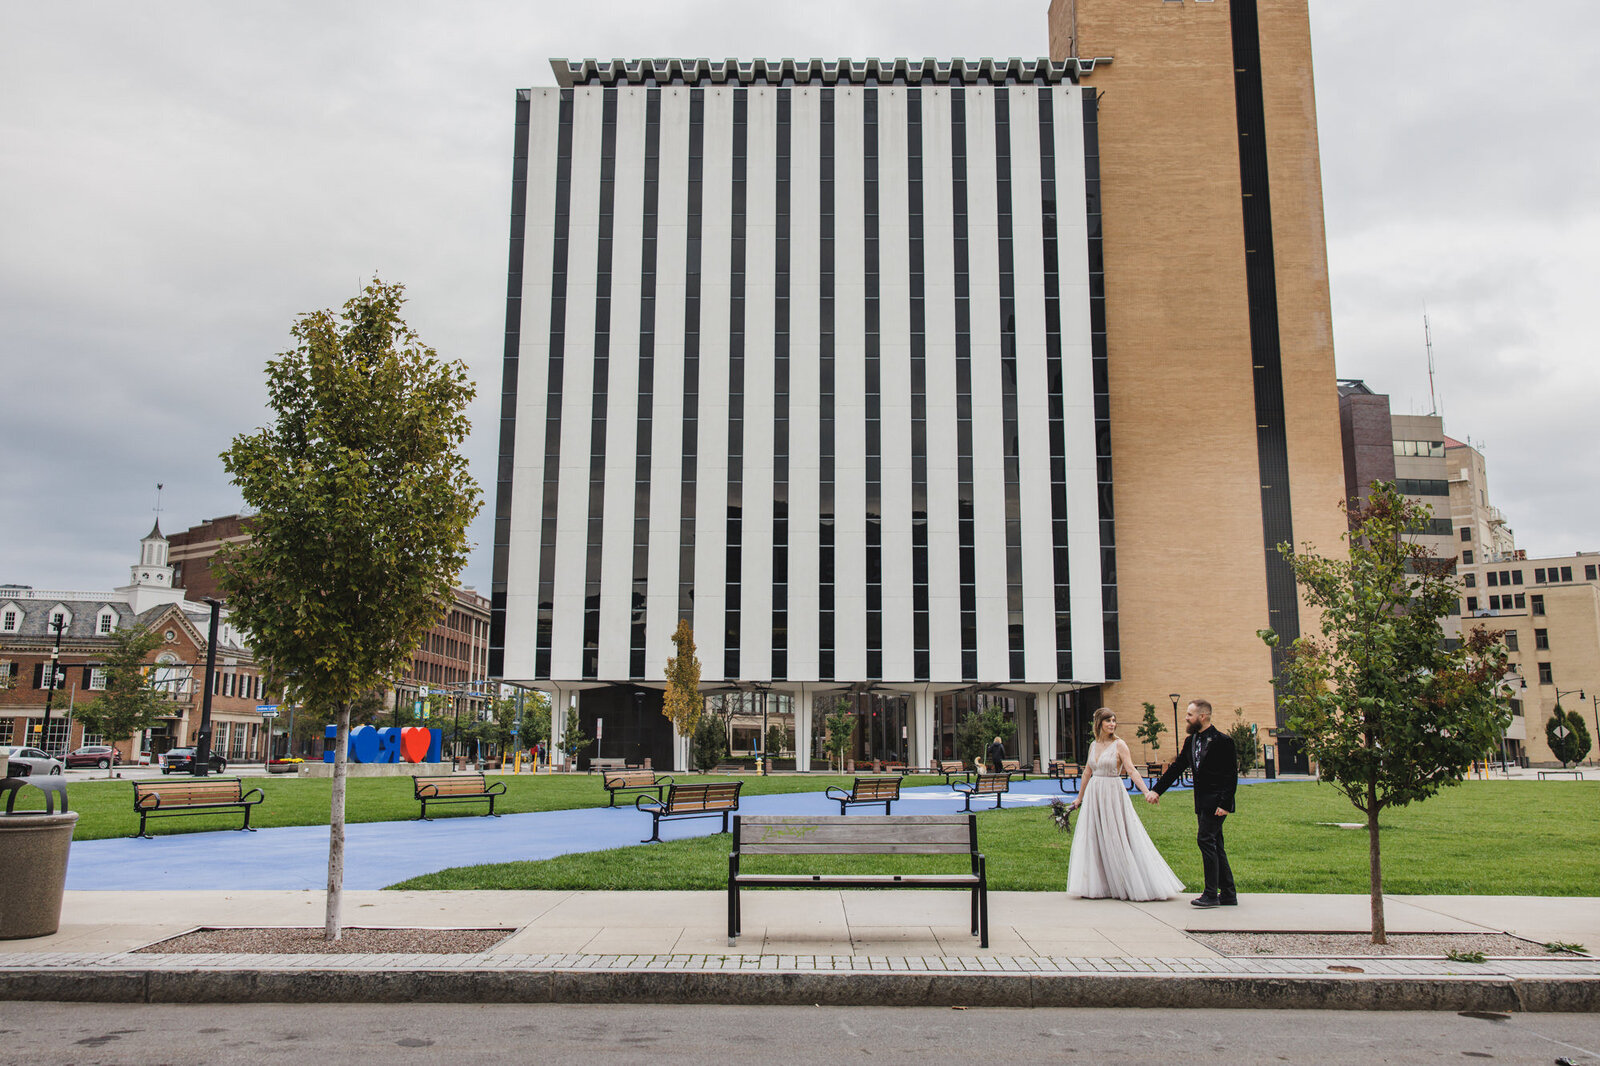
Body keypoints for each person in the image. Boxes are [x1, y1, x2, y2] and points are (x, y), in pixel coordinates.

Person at [1065, 708, 1185, 900]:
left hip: (1113, 793)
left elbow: (1131, 770)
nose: (1112, 724)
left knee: (1116, 836)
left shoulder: (1120, 745)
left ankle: (1127, 882)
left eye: (1114, 720)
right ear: (1099, 723)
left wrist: (1147, 791)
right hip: (1095, 794)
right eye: (1108, 721)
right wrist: (1080, 798)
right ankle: (1101, 884)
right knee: (1095, 837)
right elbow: (1087, 772)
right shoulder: (1093, 745)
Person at [1149, 698, 1238, 907]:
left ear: (1202, 716)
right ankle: (1228, 893)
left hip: (1217, 803)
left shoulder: (1223, 741)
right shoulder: (1191, 741)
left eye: (1189, 715)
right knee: (1216, 845)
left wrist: (1225, 804)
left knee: (1205, 840)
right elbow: (1177, 767)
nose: (1186, 718)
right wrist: (1157, 790)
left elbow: (1230, 775)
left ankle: (1210, 894)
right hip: (1202, 802)